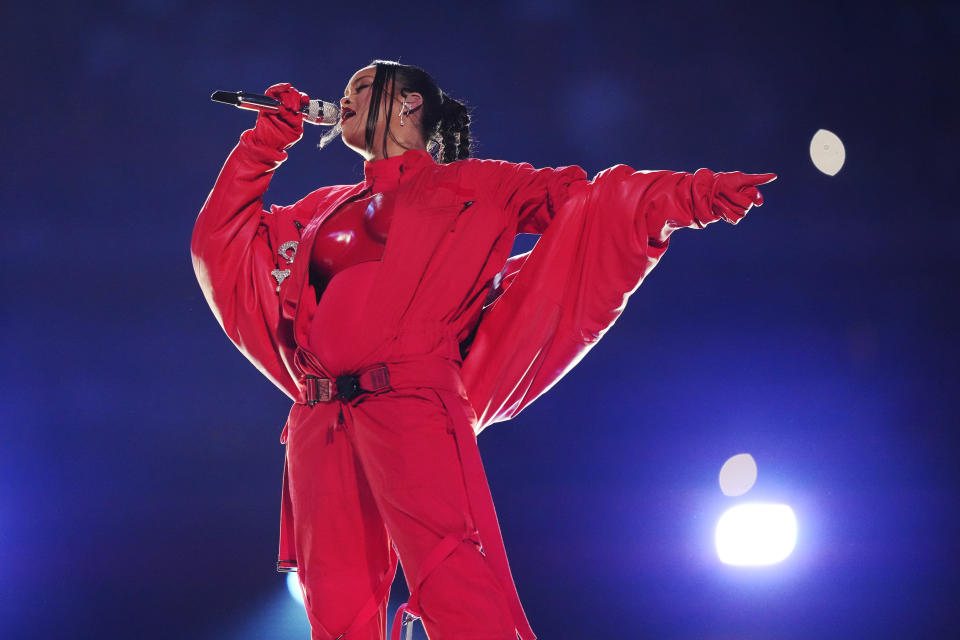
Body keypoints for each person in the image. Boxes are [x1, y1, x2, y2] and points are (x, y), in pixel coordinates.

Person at [191, 59, 776, 640]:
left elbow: (592, 202)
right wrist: (263, 144)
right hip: (321, 419)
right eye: (344, 91)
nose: (344, 98)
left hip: (411, 404)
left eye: (363, 87)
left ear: (409, 104)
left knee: (453, 582)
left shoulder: (479, 185)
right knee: (336, 612)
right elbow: (221, 242)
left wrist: (691, 196)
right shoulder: (321, 208)